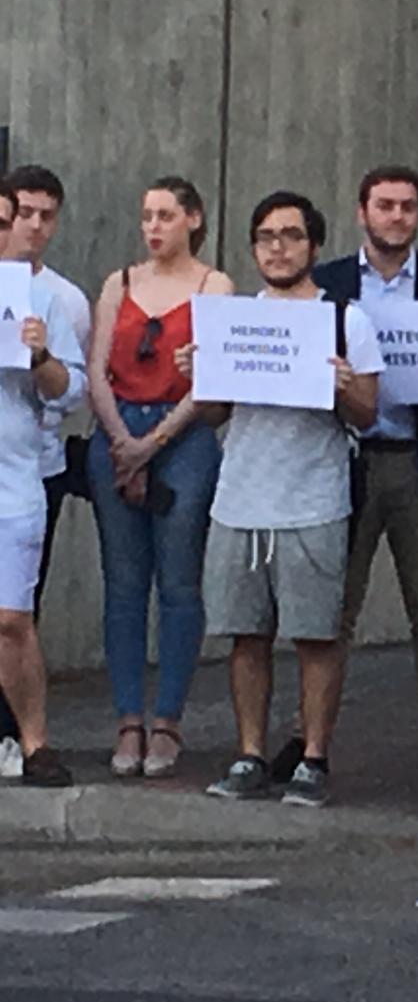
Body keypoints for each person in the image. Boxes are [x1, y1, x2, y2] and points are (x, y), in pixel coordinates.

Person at [186, 191, 383, 808]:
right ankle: (249, 754)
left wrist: (341, 388)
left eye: (291, 236)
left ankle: (313, 758)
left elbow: (369, 414)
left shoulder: (346, 319)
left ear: (313, 246)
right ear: (253, 248)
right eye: (266, 236)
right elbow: (215, 413)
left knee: (315, 636)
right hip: (240, 496)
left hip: (313, 499)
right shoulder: (234, 319)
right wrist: (201, 373)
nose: (278, 246)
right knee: (245, 636)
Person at [309, 165, 418, 798]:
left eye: (408, 206)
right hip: (344, 459)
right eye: (385, 205)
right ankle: (313, 744)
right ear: (362, 212)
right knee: (334, 608)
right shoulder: (326, 283)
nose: (396, 216)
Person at [84, 176, 232, 778]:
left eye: (166, 216)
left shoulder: (213, 284)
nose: (153, 227)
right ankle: (127, 718)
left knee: (177, 581)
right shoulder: (118, 283)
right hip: (118, 432)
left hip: (182, 434)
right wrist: (121, 439)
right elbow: (96, 368)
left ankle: (168, 718)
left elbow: (213, 376)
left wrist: (155, 441)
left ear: (193, 219)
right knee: (123, 584)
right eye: (147, 215)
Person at [0, 165, 92, 752]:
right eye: (15, 217)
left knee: (12, 620)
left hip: (17, 476)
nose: (23, 228)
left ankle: (31, 743)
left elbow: (73, 390)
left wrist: (40, 357)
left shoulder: (47, 299)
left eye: (36, 217)